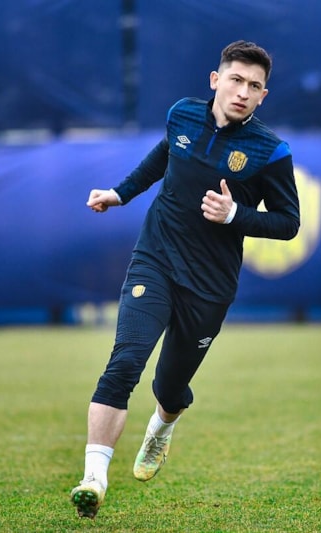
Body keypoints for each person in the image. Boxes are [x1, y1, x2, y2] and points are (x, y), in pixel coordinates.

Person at [70, 40, 300, 519]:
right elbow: (164, 155)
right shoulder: (182, 115)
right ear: (215, 80)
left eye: (254, 86)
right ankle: (94, 478)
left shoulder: (272, 151)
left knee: (170, 388)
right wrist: (120, 193)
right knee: (125, 361)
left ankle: (162, 427)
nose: (243, 92)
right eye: (235, 80)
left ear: (263, 96)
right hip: (155, 260)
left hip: (210, 286)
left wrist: (235, 215)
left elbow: (288, 222)